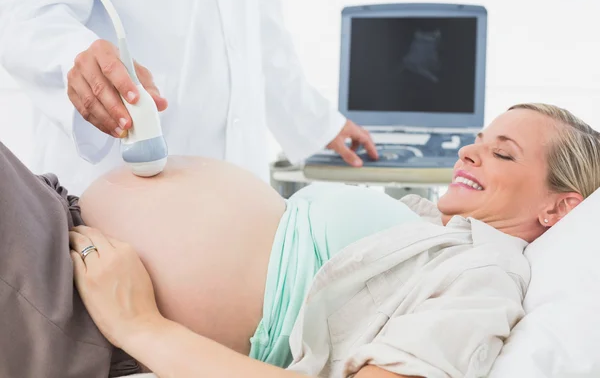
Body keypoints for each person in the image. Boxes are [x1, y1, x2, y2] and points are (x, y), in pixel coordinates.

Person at [66, 103, 600, 378]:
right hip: (74, 239)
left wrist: (140, 326)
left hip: (79, 310)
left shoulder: (486, 281)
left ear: (561, 207)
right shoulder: (433, 230)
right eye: (477, 140)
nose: (466, 152)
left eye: (502, 154)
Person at [0, 0, 378, 195]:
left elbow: (259, 34)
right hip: (120, 178)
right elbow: (26, 10)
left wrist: (318, 123)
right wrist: (73, 55)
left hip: (239, 186)